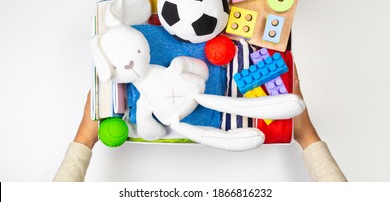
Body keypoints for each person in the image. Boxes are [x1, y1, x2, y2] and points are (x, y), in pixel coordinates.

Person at [53, 65, 347, 182]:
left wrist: (83, 139)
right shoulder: (143, 100)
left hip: (194, 94)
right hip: (175, 115)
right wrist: (308, 137)